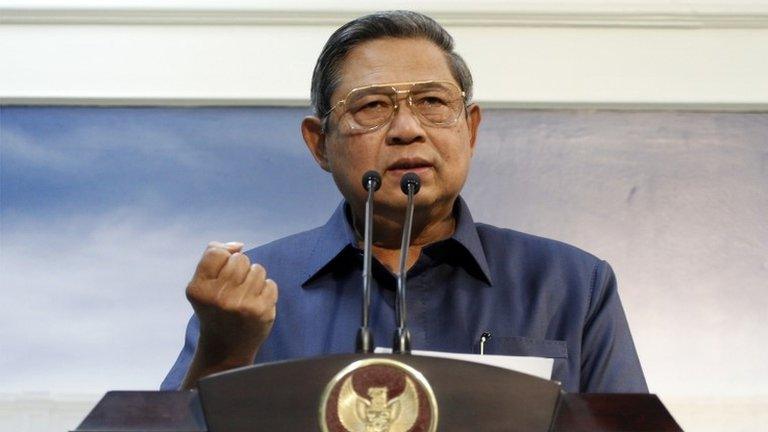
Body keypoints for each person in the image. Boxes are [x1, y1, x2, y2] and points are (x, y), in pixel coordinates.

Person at [161, 10, 647, 393]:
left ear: (470, 128)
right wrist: (224, 352)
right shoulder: (252, 289)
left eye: (433, 102)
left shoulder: (572, 285)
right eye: (372, 106)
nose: (408, 129)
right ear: (320, 144)